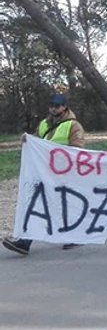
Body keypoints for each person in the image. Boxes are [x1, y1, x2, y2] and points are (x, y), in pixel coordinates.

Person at [2, 94, 86, 255]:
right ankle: (25, 242)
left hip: (64, 173)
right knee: (36, 205)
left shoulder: (73, 126)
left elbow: (78, 149)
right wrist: (28, 139)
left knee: (63, 205)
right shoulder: (43, 124)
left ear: (64, 107)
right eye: (52, 105)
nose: (54, 108)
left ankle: (76, 235)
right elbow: (37, 141)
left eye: (57, 105)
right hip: (44, 172)